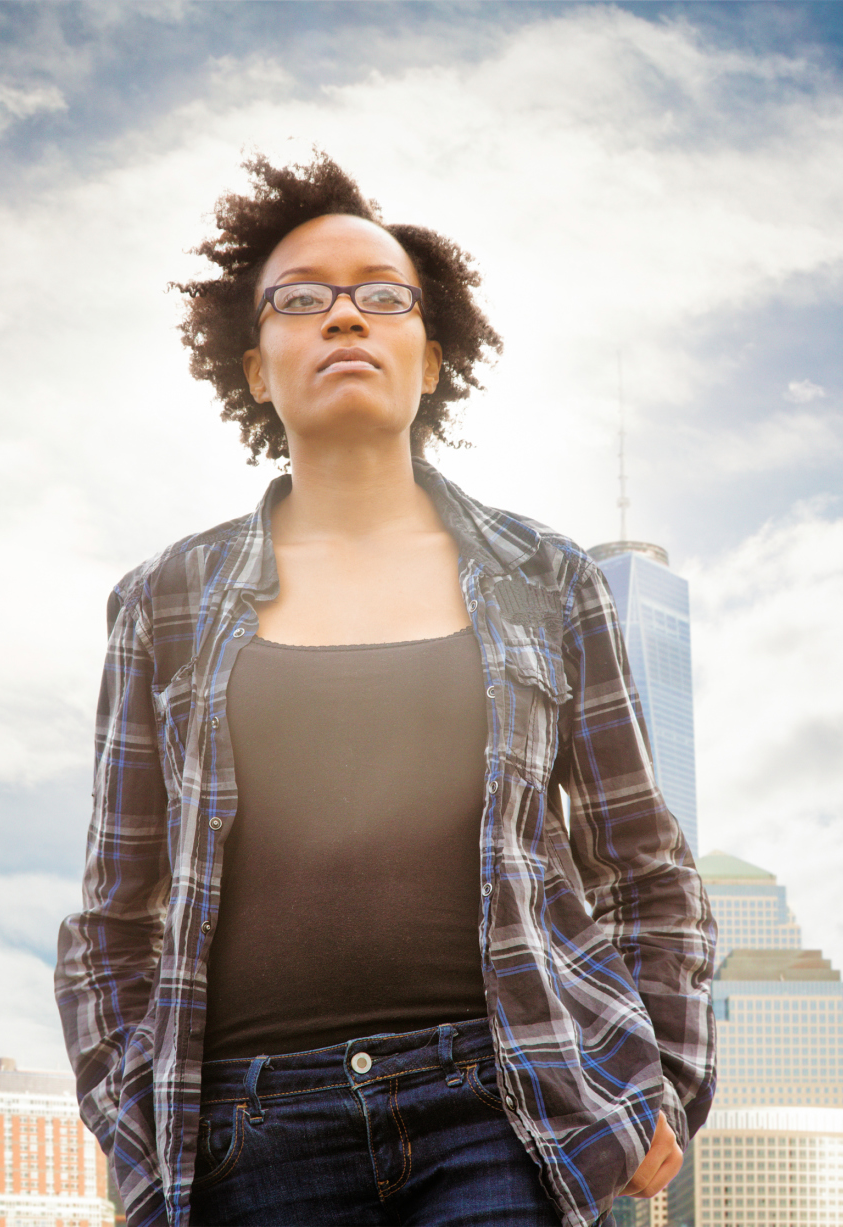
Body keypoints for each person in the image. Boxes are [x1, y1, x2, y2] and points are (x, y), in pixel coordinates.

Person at [55, 154, 714, 1227]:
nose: (344, 318)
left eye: (380, 294)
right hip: (242, 1139)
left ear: (431, 354)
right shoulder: (162, 603)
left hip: (501, 1116)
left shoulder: (549, 582)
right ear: (257, 367)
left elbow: (642, 867)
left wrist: (663, 1088)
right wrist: (130, 1126)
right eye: (302, 299)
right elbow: (114, 915)